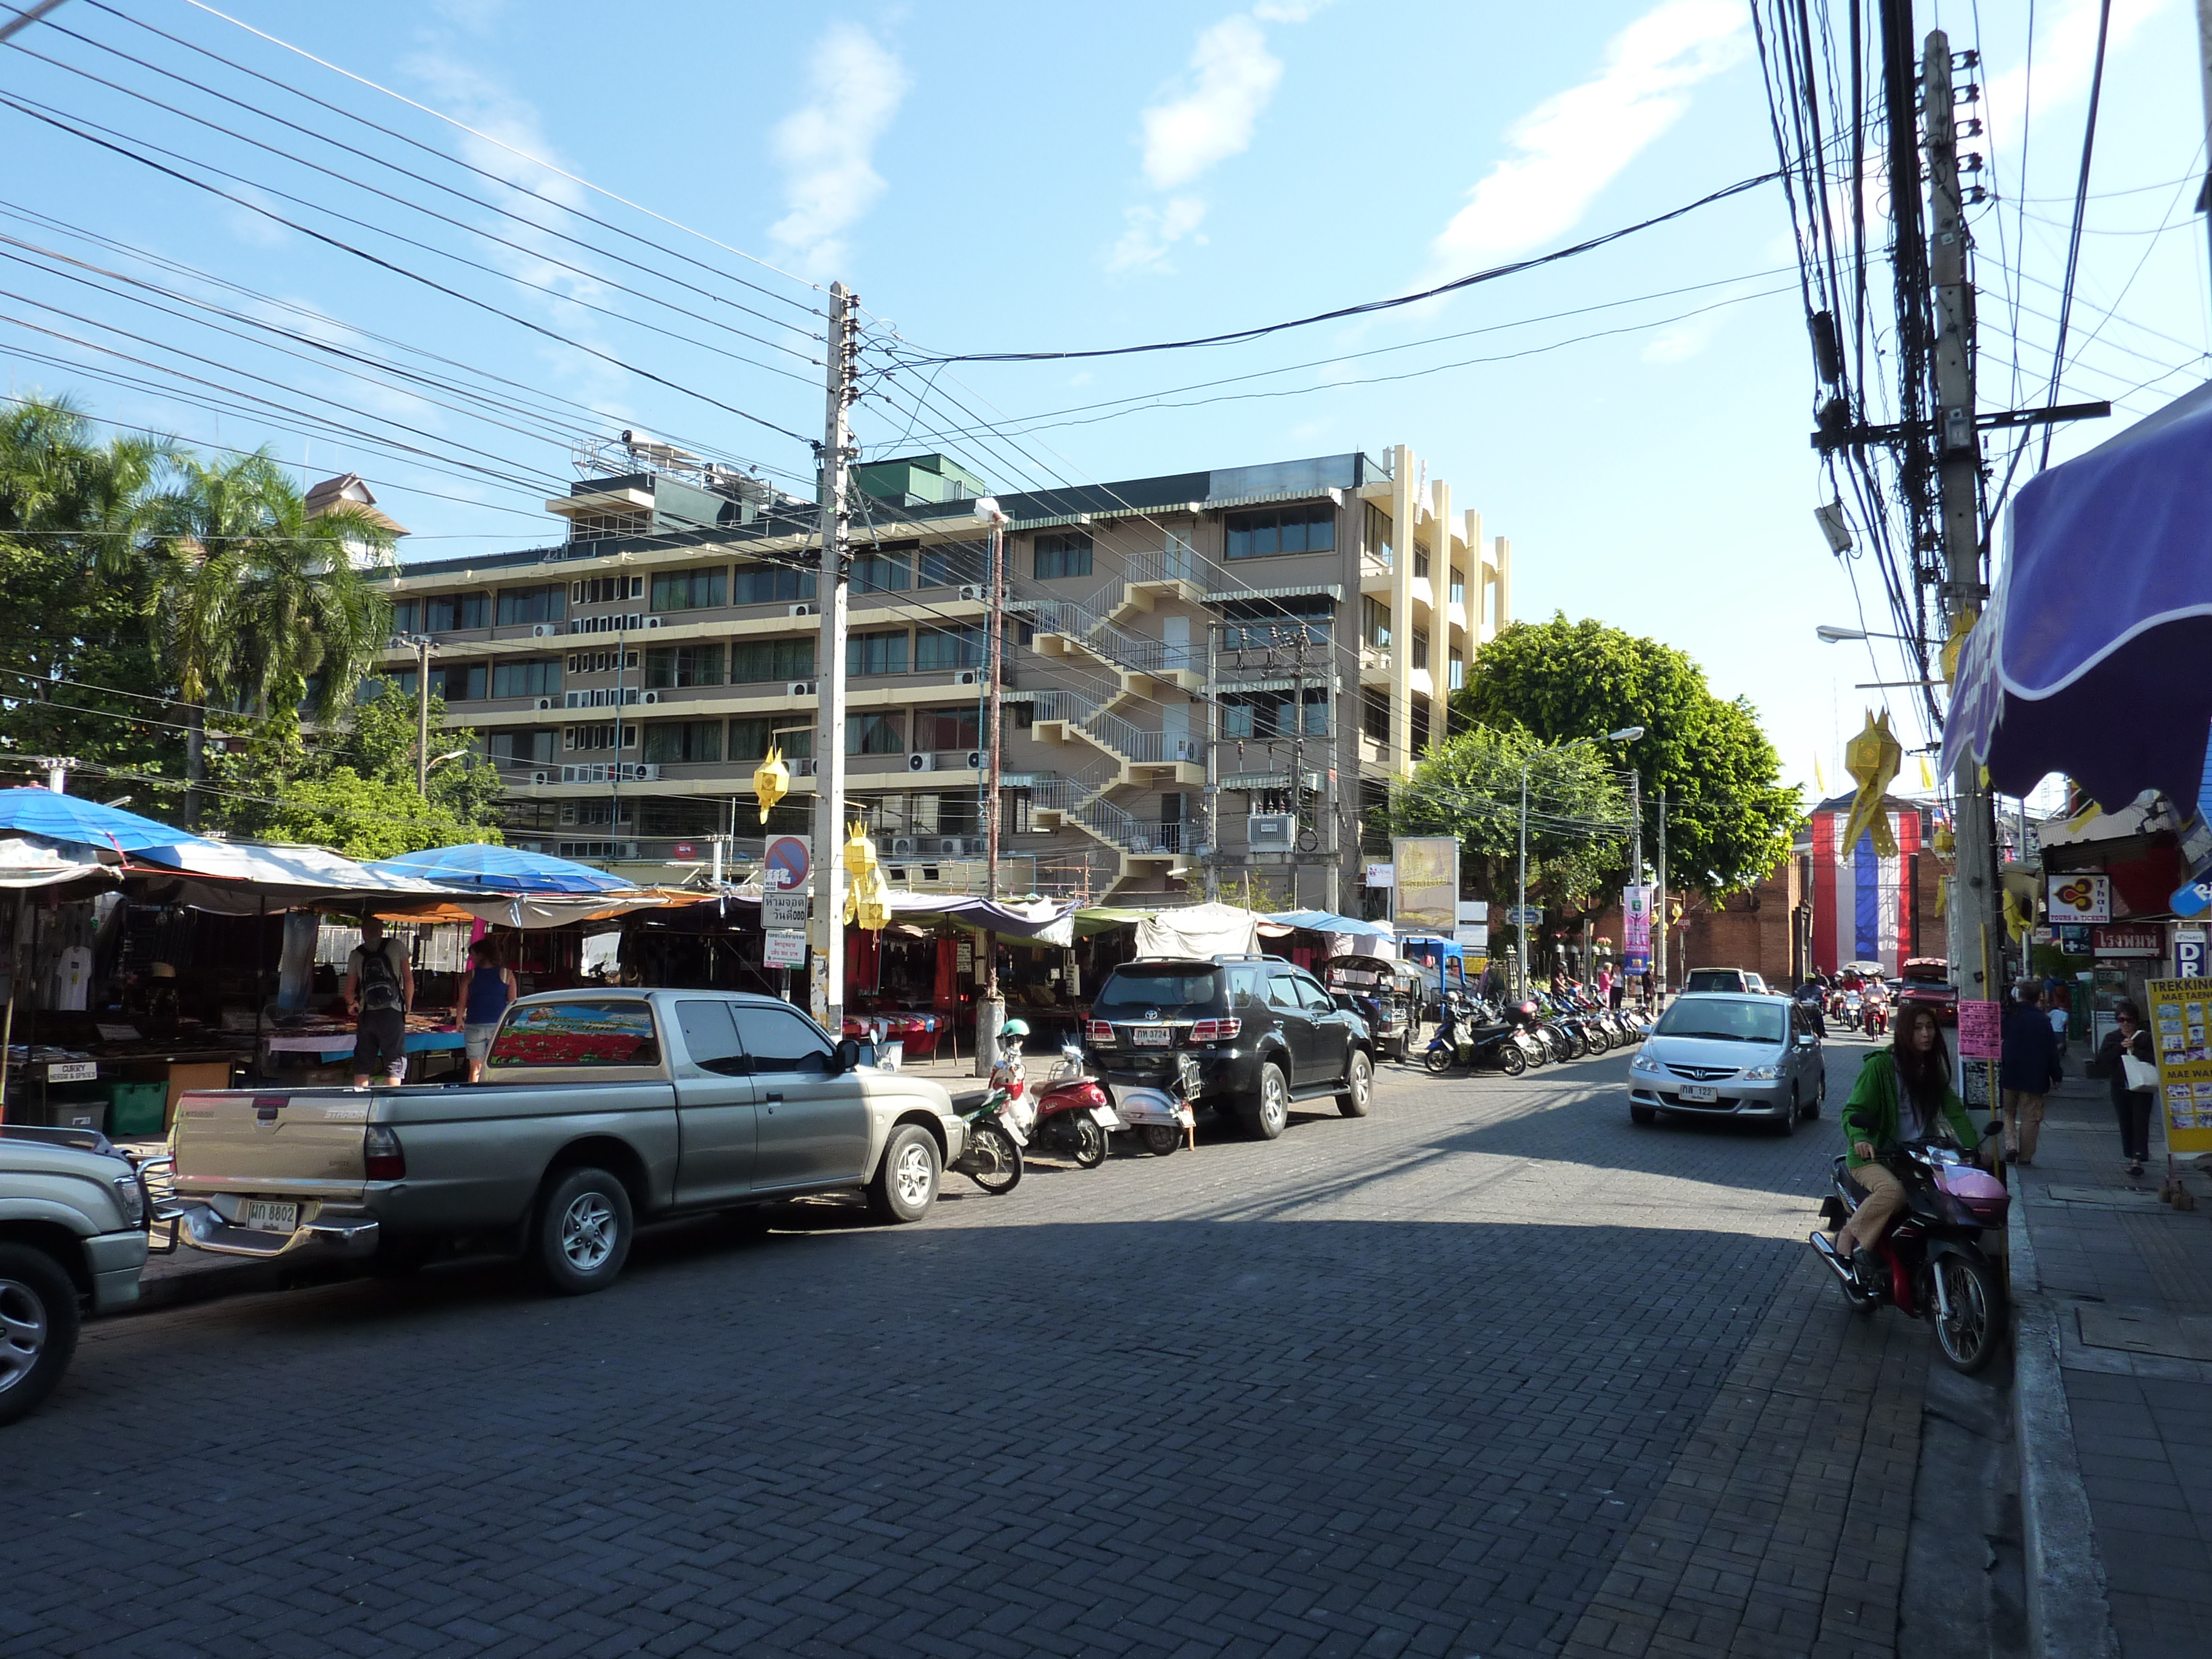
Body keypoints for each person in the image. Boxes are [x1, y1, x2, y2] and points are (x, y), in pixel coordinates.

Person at [1834, 1003, 1983, 1279]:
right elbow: (1853, 1111)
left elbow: (1955, 1112)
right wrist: (1860, 1138)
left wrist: (1974, 1151)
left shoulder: (1930, 1070)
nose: (1926, 1034)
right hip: (1874, 1158)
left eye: (1930, 1028)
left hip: (1916, 1158)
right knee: (1893, 1193)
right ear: (1903, 1032)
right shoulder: (1880, 1067)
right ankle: (1848, 1236)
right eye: (1918, 1028)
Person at [343, 917, 414, 1088]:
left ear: (363, 933)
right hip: (392, 1012)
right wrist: (408, 1005)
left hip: (367, 1014)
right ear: (382, 931)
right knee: (394, 1061)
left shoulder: (356, 954)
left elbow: (348, 991)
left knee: (363, 1061)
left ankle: (360, 1099)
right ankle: (392, 1101)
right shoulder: (396, 946)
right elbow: (409, 980)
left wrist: (352, 1004)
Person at [1999, 980, 2063, 1165]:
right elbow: (2052, 1051)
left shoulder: (2008, 1015)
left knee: (2009, 1112)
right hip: (2035, 1075)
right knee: (2031, 1117)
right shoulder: (2043, 1020)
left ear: (2019, 994)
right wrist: (2056, 1076)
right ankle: (2025, 1156)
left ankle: (2011, 1146)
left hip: (2009, 1071)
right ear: (2038, 998)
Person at [2092, 1000, 2157, 1179]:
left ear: (2136, 1021)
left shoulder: (2145, 1038)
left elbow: (2155, 1060)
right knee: (2125, 1121)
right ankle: (2130, 1155)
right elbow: (2102, 1060)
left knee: (2141, 1122)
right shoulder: (2112, 1038)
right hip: (2120, 1086)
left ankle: (2137, 1159)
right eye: (2121, 1020)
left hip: (2143, 1087)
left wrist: (2135, 1050)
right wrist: (2120, 1048)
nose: (2125, 1024)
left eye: (2129, 1020)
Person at [461, 936, 520, 1084]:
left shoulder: (470, 975)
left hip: (474, 1024)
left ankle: (473, 1099)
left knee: (475, 1069)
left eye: (473, 955)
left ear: (481, 955)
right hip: (498, 1025)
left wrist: (458, 1020)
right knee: (499, 1066)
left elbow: (462, 1001)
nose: (471, 959)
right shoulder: (507, 974)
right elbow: (513, 1003)